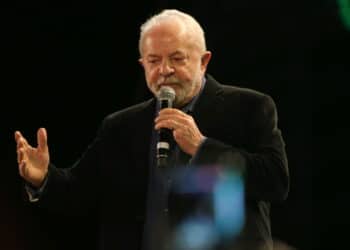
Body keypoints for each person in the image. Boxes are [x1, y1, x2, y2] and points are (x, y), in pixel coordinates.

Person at [14, 9, 289, 250]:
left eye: (177, 59)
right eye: (154, 61)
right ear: (142, 65)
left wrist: (203, 147)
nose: (165, 70)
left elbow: (275, 182)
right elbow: (79, 192)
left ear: (204, 61)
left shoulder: (248, 107)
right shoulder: (120, 126)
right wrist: (42, 179)